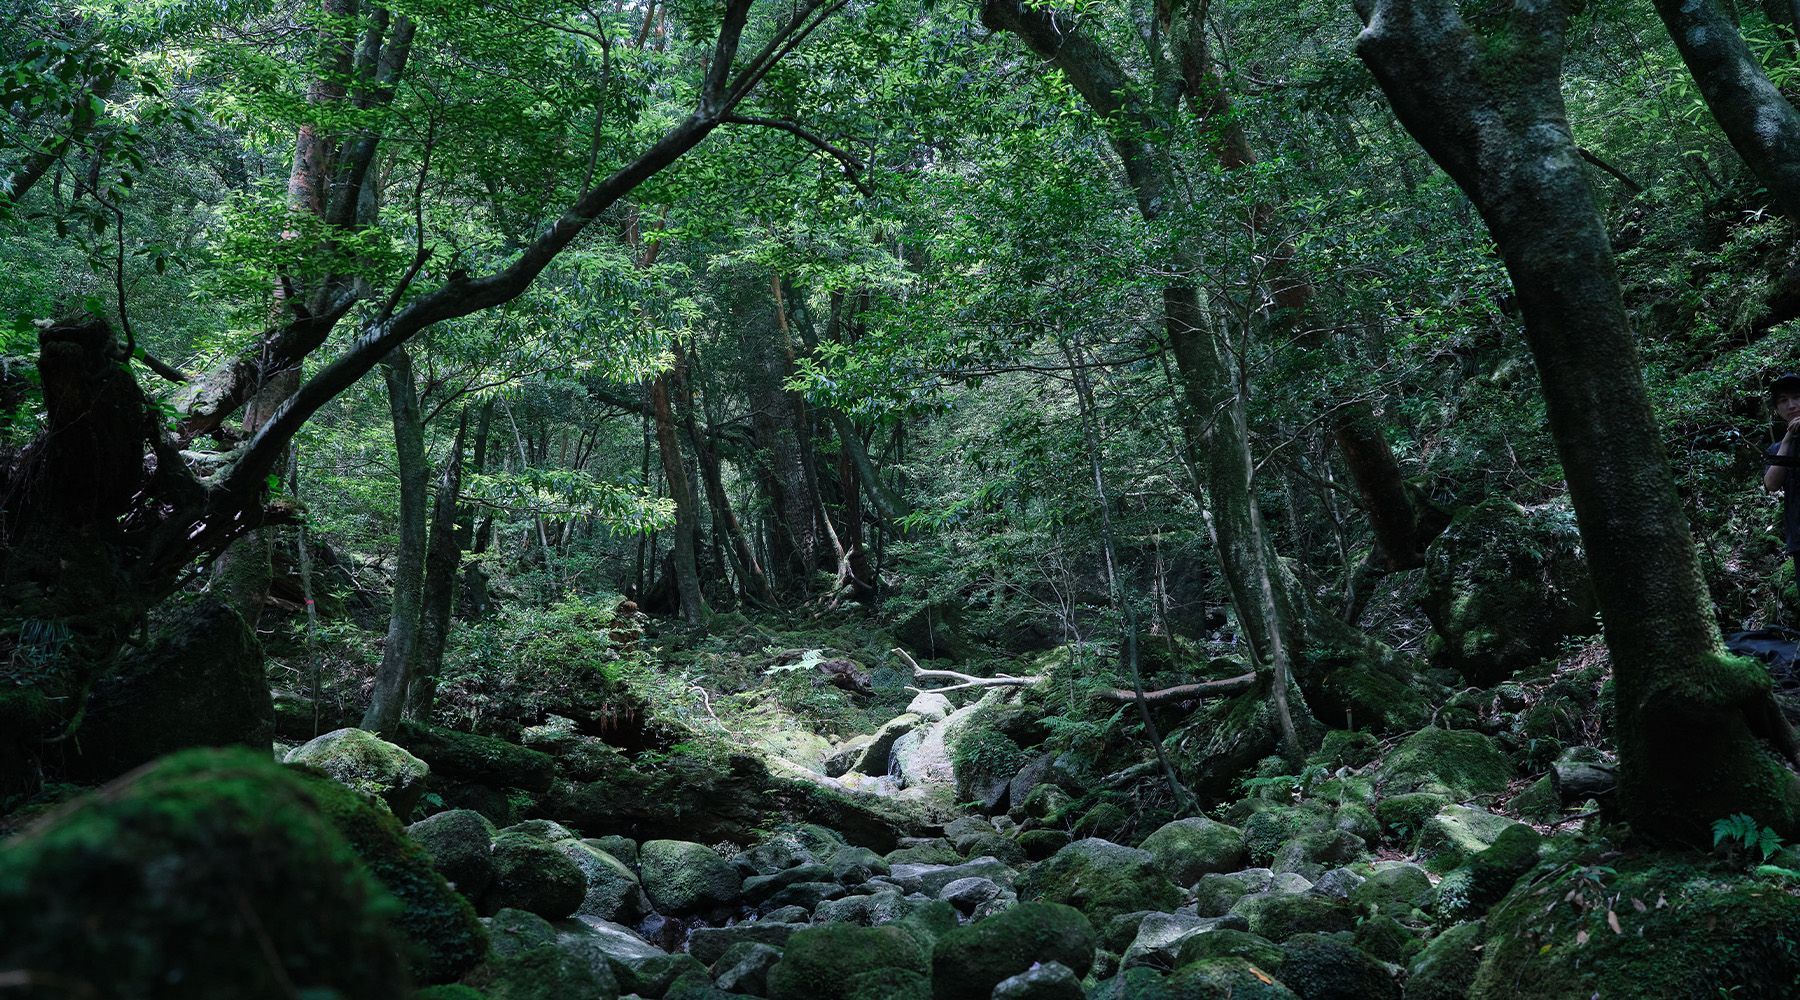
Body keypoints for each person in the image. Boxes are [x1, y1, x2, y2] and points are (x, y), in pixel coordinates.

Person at [1764, 373, 1800, 584]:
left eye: (1796, 397)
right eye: (1783, 401)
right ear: (1777, 410)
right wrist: (1787, 440)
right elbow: (1771, 484)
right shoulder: (1777, 449)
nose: (1792, 405)